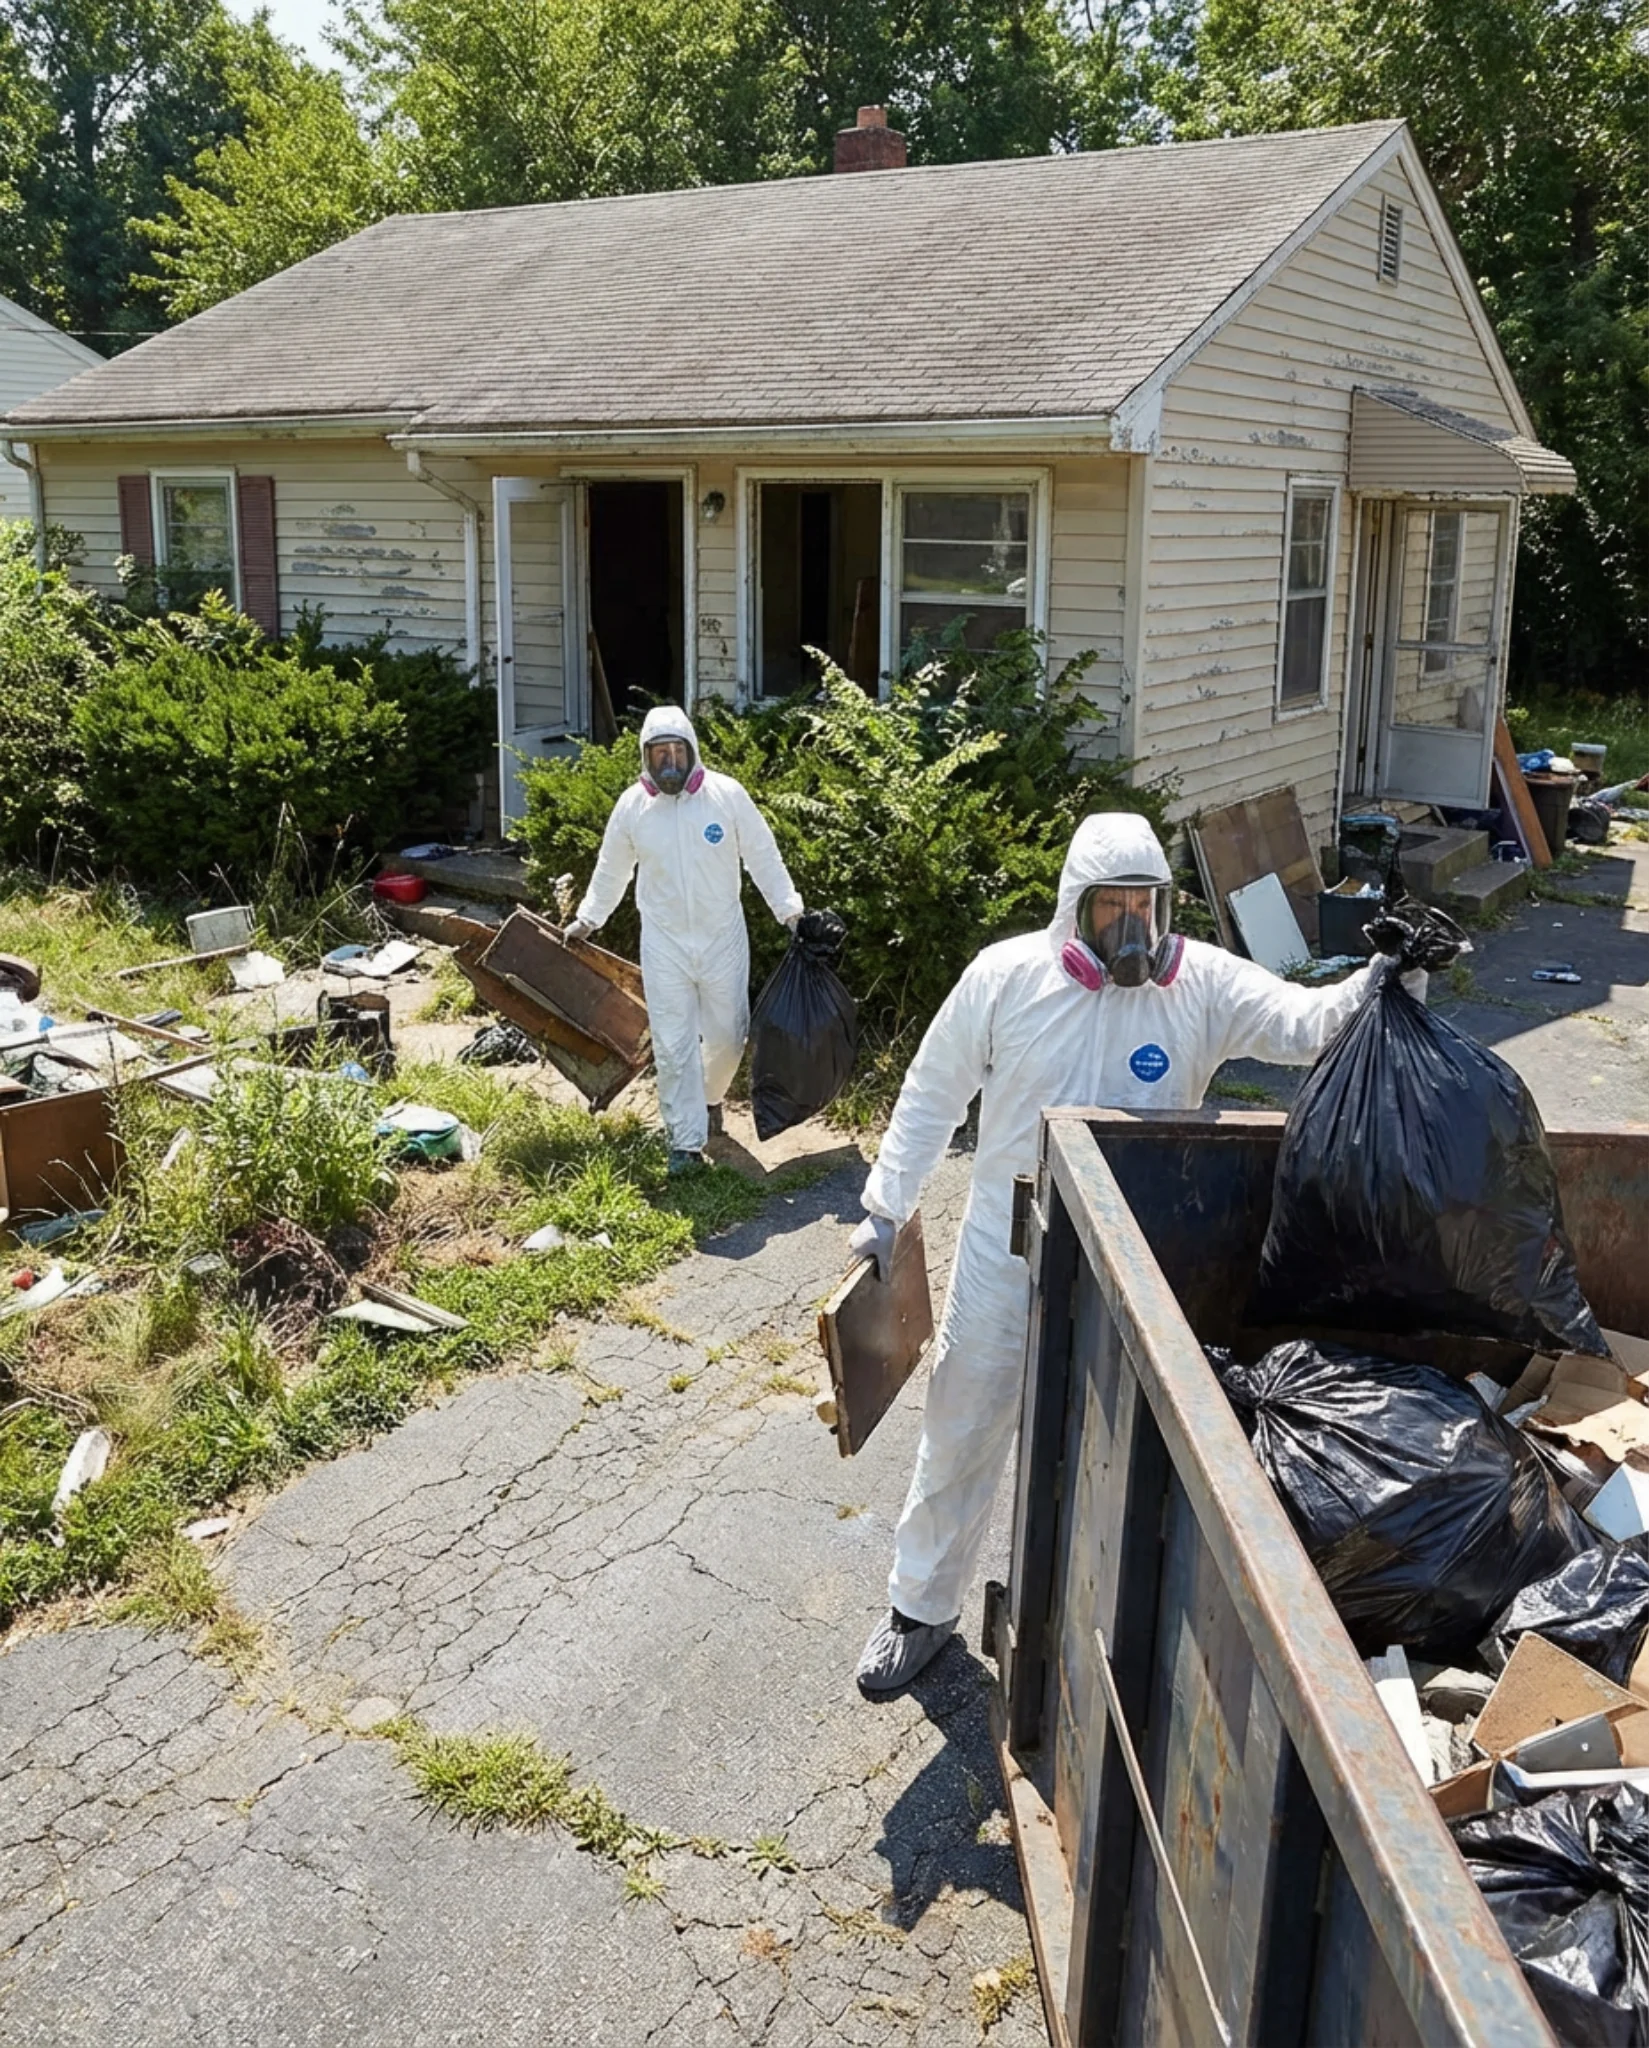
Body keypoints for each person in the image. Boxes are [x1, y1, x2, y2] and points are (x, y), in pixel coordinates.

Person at [850, 811, 1425, 1694]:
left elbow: (1308, 1026)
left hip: (1130, 1270)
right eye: (1109, 909)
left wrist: (1387, 971)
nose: (1130, 930)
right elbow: (931, 1092)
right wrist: (885, 1207)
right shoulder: (1006, 978)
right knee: (962, 1426)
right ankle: (918, 1611)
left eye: (1144, 908)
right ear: (1069, 911)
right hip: (1005, 1258)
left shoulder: (1198, 986)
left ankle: (1093, 1644)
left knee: (1111, 1455)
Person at [567, 706, 802, 1173]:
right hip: (664, 942)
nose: (670, 761)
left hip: (722, 939)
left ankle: (711, 1099)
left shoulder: (725, 797)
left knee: (729, 1037)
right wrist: (588, 919)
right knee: (673, 1045)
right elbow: (611, 871)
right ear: (646, 758)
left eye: (678, 751)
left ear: (692, 751)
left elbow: (763, 855)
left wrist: (791, 912)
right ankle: (686, 1142)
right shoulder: (633, 807)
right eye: (660, 754)